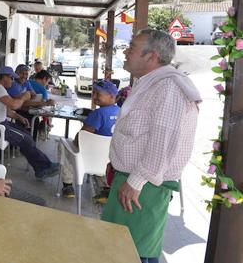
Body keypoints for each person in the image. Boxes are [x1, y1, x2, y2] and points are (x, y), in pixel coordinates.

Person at [101, 29, 201, 263]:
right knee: (120, 248)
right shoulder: (153, 83)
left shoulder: (168, 88)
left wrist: (135, 181)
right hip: (132, 181)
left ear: (151, 56)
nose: (126, 52)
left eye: (132, 47)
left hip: (143, 186)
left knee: (132, 253)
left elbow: (164, 141)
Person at [0, 66, 59, 178]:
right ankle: (44, 168)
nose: (12, 81)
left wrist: (19, 118)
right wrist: (25, 97)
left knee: (27, 136)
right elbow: (14, 105)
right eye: (11, 78)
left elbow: (7, 111)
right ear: (5, 77)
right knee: (25, 139)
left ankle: (42, 167)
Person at [60, 79, 120, 198]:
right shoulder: (121, 111)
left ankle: (68, 185)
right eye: (94, 93)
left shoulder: (98, 113)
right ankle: (105, 188)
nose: (94, 96)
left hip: (90, 158)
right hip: (109, 159)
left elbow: (81, 139)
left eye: (98, 93)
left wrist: (74, 142)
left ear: (112, 96)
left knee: (64, 145)